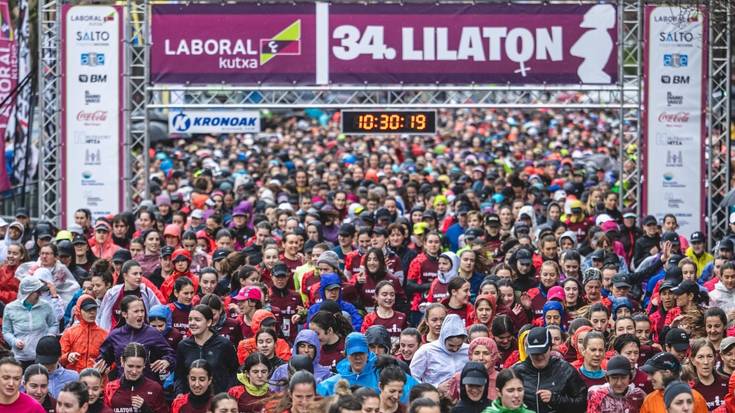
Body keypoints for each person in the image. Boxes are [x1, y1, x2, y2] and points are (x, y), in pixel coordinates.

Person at [317, 333, 417, 405]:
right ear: (346, 355)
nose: (358, 358)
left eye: (361, 353)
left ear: (368, 353)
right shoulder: (333, 383)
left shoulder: (383, 373)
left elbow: (417, 390)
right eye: (353, 354)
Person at [97, 296, 176, 381]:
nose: (140, 314)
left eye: (142, 311)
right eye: (136, 311)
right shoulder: (115, 335)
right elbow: (103, 358)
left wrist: (167, 361)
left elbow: (171, 354)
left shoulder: (152, 333)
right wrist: (100, 366)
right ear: (124, 314)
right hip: (122, 386)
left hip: (146, 386)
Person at [512, 327, 588, 413]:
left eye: (542, 352)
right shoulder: (516, 372)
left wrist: (555, 399)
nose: (539, 357)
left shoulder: (565, 370)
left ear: (550, 348)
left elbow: (582, 404)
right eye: (535, 353)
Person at [175, 304, 238, 395]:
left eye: (197, 320)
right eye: (190, 319)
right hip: (192, 401)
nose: (192, 323)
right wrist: (179, 393)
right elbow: (179, 376)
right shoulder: (183, 345)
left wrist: (227, 394)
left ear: (209, 322)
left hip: (218, 401)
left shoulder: (224, 344)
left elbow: (234, 373)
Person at [3, 277, 59, 369]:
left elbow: (54, 324)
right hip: (20, 357)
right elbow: (6, 331)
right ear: (27, 293)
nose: (40, 294)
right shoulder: (10, 308)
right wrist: (14, 341)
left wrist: (48, 336)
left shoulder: (46, 306)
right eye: (37, 292)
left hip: (41, 357)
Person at [96, 260, 162, 331]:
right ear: (125, 276)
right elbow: (101, 315)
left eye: (140, 273)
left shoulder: (147, 292)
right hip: (117, 337)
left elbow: (159, 312)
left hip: (142, 335)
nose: (139, 277)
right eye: (135, 274)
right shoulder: (112, 293)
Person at [104, 343, 168, 413]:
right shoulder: (110, 388)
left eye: (138, 367)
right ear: (122, 361)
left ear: (144, 364)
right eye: (130, 366)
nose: (134, 371)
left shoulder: (155, 388)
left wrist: (146, 409)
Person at [410, 314, 469, 386]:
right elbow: (413, 376)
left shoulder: (468, 350)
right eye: (451, 345)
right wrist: (435, 389)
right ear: (443, 339)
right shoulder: (426, 350)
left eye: (459, 345)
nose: (455, 349)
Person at [639, 352, 709, 413]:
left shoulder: (696, 398)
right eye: (679, 403)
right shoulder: (649, 400)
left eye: (652, 373)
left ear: (667, 373)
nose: (648, 378)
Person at [59, 295, 107, 372]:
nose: (92, 312)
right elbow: (59, 358)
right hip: (75, 378)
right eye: (88, 310)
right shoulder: (69, 333)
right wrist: (68, 356)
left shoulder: (104, 334)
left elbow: (111, 360)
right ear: (79, 311)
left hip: (97, 378)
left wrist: (106, 368)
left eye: (94, 309)